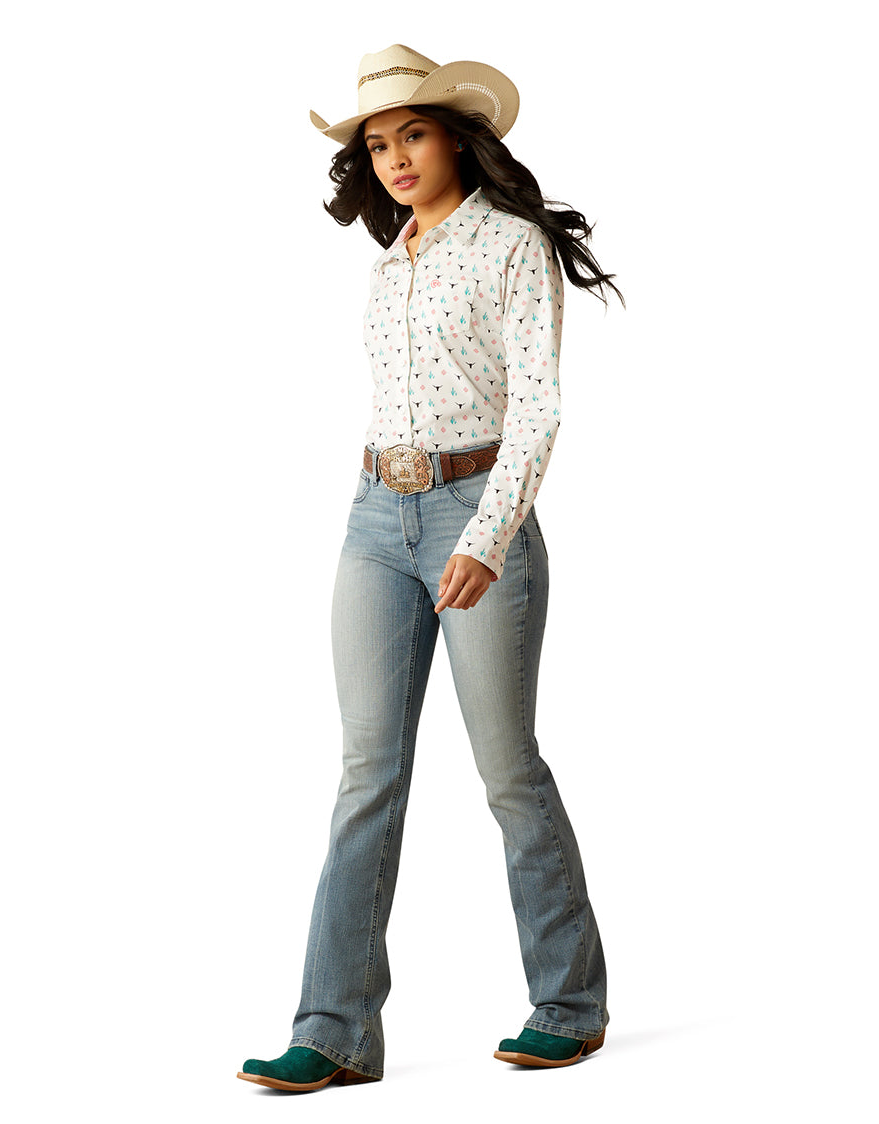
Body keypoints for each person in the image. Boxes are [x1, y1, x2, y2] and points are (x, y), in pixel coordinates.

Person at [237, 43, 624, 1094]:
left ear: (456, 137)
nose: (396, 157)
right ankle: (334, 1031)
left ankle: (571, 1004)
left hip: (474, 510)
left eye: (413, 134)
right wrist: (386, 506)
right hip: (374, 516)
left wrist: (485, 537)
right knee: (366, 773)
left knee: (507, 770)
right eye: (378, 144)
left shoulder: (511, 245)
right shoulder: (389, 260)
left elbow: (537, 405)